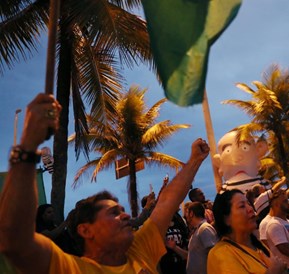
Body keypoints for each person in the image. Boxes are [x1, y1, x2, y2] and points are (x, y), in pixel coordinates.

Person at [0, 93, 210, 274]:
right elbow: (15, 241)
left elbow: (167, 203)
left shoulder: (139, 249)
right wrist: (28, 145)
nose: (126, 215)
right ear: (85, 230)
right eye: (113, 213)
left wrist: (194, 161)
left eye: (121, 210)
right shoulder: (71, 268)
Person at [207, 189, 289, 274]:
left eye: (249, 204)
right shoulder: (220, 253)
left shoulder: (258, 245)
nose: (250, 209)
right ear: (226, 219)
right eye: (242, 206)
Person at [186, 202, 218, 274]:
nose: (186, 215)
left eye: (187, 213)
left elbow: (214, 254)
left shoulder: (204, 228)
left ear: (191, 213)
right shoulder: (198, 230)